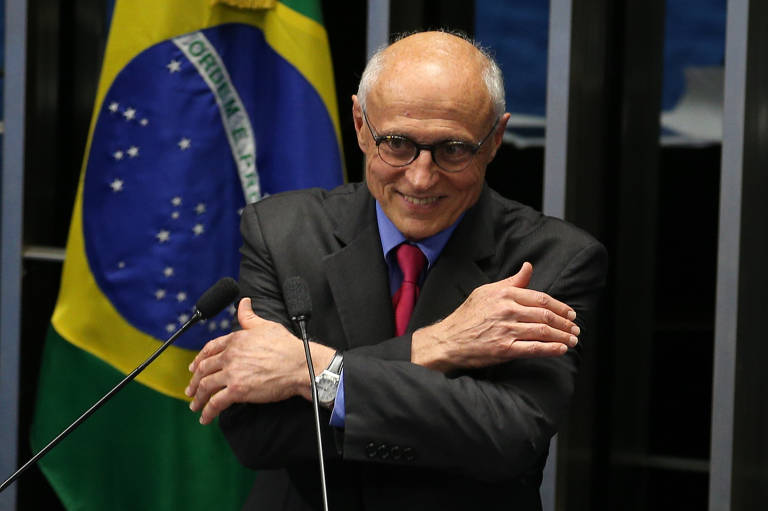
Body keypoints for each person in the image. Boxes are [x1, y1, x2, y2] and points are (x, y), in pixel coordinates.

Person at [186, 30, 607, 510]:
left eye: (453, 150)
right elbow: (257, 433)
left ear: (495, 139)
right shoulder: (281, 231)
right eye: (397, 144)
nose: (422, 177)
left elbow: (509, 436)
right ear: (362, 126)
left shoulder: (554, 258)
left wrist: (317, 374)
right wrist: (437, 346)